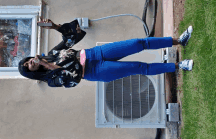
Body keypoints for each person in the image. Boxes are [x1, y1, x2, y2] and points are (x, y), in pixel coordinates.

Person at [18, 17, 194, 88]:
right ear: (31, 72)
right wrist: (46, 65)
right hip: (95, 71)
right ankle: (179, 66)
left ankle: (179, 40)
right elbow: (72, 79)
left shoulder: (51, 54)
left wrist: (55, 26)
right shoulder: (51, 80)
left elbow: (70, 39)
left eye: (27, 61)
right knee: (139, 67)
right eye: (27, 66)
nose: (29, 63)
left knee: (138, 43)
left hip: (95, 53)